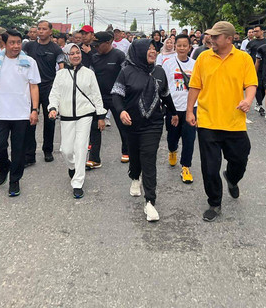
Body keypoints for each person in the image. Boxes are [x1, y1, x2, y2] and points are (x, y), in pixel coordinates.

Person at [186, 21, 258, 222]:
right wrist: (190, 111)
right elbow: (195, 86)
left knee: (240, 158)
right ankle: (214, 202)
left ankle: (232, 179)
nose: (211, 39)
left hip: (234, 121)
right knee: (209, 167)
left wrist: (248, 100)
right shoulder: (203, 57)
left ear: (229, 38)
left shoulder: (243, 58)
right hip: (208, 120)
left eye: (215, 37)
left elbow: (251, 84)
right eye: (210, 36)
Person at [112, 39, 178, 222]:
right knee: (135, 154)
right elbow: (116, 96)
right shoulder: (126, 72)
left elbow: (165, 95)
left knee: (149, 158)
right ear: (138, 51)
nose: (152, 52)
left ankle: (150, 202)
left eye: (154, 49)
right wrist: (121, 111)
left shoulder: (159, 72)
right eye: (148, 49)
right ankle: (134, 177)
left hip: (154, 123)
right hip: (132, 123)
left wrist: (173, 113)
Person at [0, 30, 40, 197]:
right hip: (0, 112)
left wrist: (34, 110)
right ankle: (4, 164)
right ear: (5, 44)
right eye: (12, 43)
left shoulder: (29, 62)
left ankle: (15, 180)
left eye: (18, 42)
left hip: (21, 113)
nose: (16, 46)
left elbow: (34, 86)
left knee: (19, 150)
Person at [48, 43, 106, 198]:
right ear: (66, 56)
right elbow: (54, 94)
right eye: (71, 53)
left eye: (77, 53)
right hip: (66, 117)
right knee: (66, 150)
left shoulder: (88, 73)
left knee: (80, 148)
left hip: (85, 115)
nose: (75, 56)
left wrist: (101, 116)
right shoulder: (60, 74)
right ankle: (72, 166)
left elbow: (96, 95)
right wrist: (52, 107)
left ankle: (78, 182)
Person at [21, 20, 65, 163]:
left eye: (44, 29)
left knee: (49, 120)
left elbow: (61, 68)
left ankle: (48, 150)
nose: (40, 31)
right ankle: (29, 154)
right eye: (39, 28)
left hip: (49, 87)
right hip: (31, 87)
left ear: (51, 31)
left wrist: (61, 87)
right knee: (30, 121)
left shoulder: (56, 49)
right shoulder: (28, 46)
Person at [88, 31, 128, 166]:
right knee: (95, 127)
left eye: (98, 45)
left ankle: (127, 151)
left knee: (123, 125)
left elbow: (126, 75)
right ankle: (94, 158)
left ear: (108, 43)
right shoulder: (94, 57)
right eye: (94, 45)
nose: (96, 47)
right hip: (99, 98)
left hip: (116, 97)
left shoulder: (119, 56)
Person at [162, 34, 197, 183]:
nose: (182, 48)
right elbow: (163, 86)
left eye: (185, 45)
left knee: (190, 138)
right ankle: (172, 150)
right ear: (175, 46)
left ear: (189, 47)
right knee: (172, 136)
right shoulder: (167, 63)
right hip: (173, 107)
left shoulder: (195, 64)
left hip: (191, 107)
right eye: (179, 45)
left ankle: (186, 167)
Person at [246, 25, 266, 115]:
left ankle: (259, 102)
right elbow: (247, 55)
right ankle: (260, 104)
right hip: (254, 67)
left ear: (262, 31)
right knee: (257, 85)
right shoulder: (251, 43)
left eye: (257, 31)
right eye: (254, 31)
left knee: (265, 87)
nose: (255, 33)